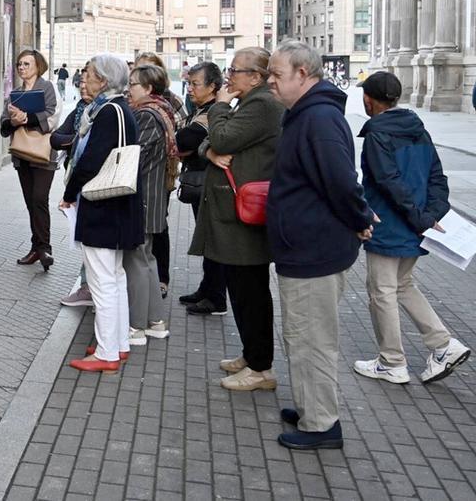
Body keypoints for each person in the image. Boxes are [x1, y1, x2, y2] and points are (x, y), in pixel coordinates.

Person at [267, 39, 376, 450]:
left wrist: (361, 219)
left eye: (277, 75)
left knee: (312, 337)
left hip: (314, 249)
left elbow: (342, 181)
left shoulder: (319, 120)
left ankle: (322, 424)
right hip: (303, 246)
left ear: (304, 75)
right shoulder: (304, 115)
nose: (270, 82)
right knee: (301, 334)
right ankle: (311, 406)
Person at [354, 72, 470, 384]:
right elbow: (437, 178)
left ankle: (391, 361)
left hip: (390, 225)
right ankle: (443, 345)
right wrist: (430, 215)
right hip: (418, 225)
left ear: (369, 100)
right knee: (403, 284)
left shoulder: (378, 133)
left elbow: (387, 181)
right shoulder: (419, 129)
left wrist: (419, 217)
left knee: (382, 291)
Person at [189, 49, 284, 391]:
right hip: (232, 213)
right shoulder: (249, 103)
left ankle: (261, 368)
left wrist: (218, 108)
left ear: (256, 76)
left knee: (251, 293)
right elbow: (209, 145)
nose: (229, 76)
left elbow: (223, 137)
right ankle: (252, 354)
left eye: (235, 70)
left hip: (244, 216)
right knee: (241, 289)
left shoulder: (262, 105)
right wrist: (210, 150)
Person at [61, 55, 144, 373]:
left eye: (90, 75)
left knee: (102, 281)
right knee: (114, 277)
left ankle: (108, 351)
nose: (84, 79)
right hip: (118, 205)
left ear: (105, 81)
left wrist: (70, 194)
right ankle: (117, 342)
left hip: (103, 205)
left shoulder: (108, 111)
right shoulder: (119, 108)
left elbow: (92, 159)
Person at [122, 64, 176, 346]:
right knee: (147, 261)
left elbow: (133, 157)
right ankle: (155, 321)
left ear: (149, 89)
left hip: (143, 200)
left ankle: (137, 326)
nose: (128, 90)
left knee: (136, 264)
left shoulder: (146, 115)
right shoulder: (162, 111)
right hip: (153, 199)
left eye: (133, 85)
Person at [175, 62, 229, 314]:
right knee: (206, 238)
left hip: (212, 183)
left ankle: (216, 297)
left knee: (213, 240)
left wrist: (186, 143)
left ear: (213, 86)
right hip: (200, 181)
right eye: (189, 83)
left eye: (195, 84)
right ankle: (207, 289)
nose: (189, 89)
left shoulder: (214, 111)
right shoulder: (201, 109)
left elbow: (184, 140)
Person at [1, 49, 59, 271]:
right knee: (30, 202)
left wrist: (26, 118)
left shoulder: (47, 88)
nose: (22, 68)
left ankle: (45, 248)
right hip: (22, 153)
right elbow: (4, 124)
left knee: (39, 198)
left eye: (26, 64)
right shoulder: (14, 93)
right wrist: (14, 122)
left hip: (43, 152)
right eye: (19, 64)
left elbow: (52, 114)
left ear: (38, 66)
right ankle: (37, 248)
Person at [135, 51, 185, 298]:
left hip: (156, 178)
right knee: (150, 231)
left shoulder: (156, 108)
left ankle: (159, 281)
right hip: (154, 177)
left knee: (155, 230)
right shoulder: (137, 104)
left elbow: (183, 132)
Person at [52, 63, 92, 307]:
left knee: (91, 239)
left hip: (93, 185)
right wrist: (77, 140)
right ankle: (87, 286)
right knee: (85, 238)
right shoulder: (80, 108)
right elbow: (56, 138)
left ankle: (89, 288)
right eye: (82, 82)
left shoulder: (105, 112)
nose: (83, 86)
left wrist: (75, 141)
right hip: (76, 178)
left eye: (89, 81)